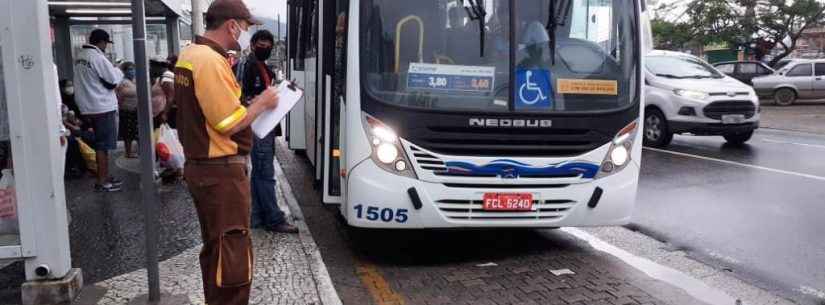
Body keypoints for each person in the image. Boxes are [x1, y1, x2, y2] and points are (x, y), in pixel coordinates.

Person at [174, 1, 279, 304]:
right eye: (246, 27)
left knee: (216, 249)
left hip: (204, 168)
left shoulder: (191, 55)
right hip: (220, 171)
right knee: (232, 252)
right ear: (232, 25)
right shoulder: (209, 60)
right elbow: (227, 122)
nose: (246, 34)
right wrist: (262, 103)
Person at [234, 30, 297, 234]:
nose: (266, 48)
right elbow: (241, 98)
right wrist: (259, 101)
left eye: (268, 44)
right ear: (252, 44)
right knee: (265, 173)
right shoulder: (248, 66)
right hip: (258, 126)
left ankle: (257, 217)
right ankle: (273, 219)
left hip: (264, 126)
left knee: (259, 173)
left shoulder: (263, 68)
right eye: (261, 44)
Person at [73, 29, 124, 192]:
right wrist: (119, 70)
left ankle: (105, 175)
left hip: (87, 106)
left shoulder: (80, 56)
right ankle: (102, 181)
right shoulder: (97, 57)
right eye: (106, 44)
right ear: (101, 42)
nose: (106, 47)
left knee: (100, 144)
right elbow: (113, 81)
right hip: (102, 106)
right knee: (103, 146)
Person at [116, 62, 139, 158]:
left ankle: (136, 151)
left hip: (135, 111)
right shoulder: (123, 83)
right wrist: (122, 108)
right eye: (129, 69)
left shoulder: (134, 81)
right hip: (126, 111)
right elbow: (119, 99)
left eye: (133, 69)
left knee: (136, 132)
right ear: (124, 71)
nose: (132, 71)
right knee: (127, 133)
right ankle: (128, 152)